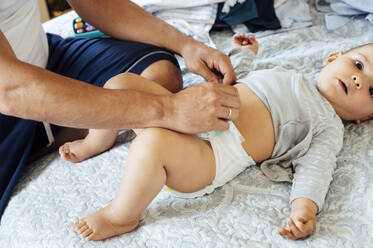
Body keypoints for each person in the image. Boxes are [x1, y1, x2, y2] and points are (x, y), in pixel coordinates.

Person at [68, 34, 373, 241]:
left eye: (372, 91)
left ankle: (121, 215)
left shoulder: (327, 125)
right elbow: (235, 80)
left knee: (152, 144)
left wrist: (304, 209)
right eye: (359, 64)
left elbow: (317, 169)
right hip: (185, 111)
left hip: (211, 153)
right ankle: (97, 141)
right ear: (333, 57)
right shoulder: (288, 73)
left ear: (364, 118)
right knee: (120, 84)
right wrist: (243, 52)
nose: (359, 79)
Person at [0, 0, 241, 221]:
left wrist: (187, 46)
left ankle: (90, 128)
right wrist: (169, 109)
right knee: (144, 101)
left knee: (159, 73)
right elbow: (10, 89)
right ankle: (50, 136)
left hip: (46, 55)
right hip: (9, 97)